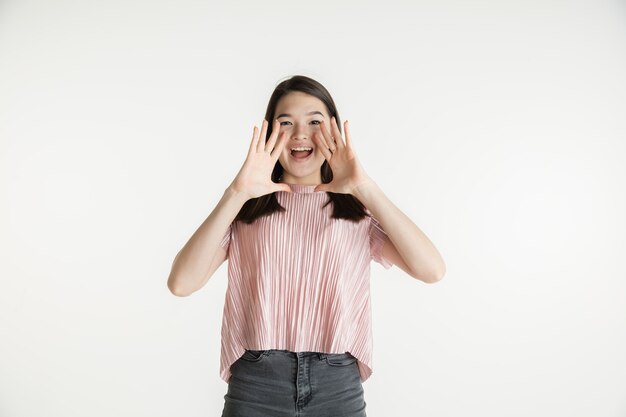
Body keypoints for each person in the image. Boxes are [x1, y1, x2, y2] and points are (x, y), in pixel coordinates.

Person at [167, 75, 446, 417]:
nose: (300, 134)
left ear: (333, 132)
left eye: (314, 121)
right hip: (256, 382)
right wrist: (237, 192)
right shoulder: (246, 211)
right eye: (286, 122)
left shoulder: (356, 211)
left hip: (336, 383)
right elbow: (181, 283)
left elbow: (431, 270)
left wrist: (363, 186)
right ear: (270, 133)